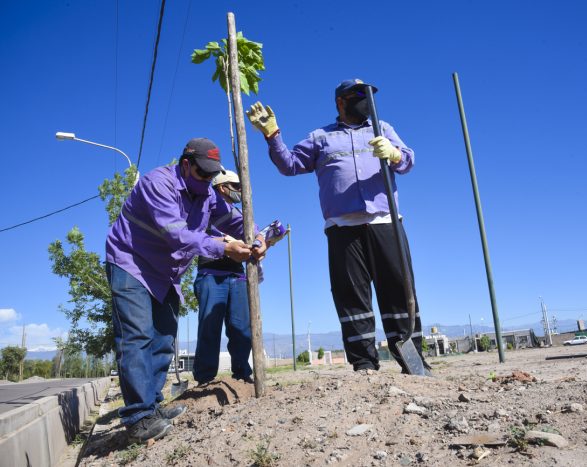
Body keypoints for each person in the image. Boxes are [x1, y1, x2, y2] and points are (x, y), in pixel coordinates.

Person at [246, 79, 424, 374]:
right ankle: (365, 364)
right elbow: (290, 165)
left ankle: (412, 360)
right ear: (341, 102)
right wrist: (272, 135)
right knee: (351, 295)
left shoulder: (383, 128)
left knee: (398, 289)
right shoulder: (321, 137)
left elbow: (408, 161)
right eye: (358, 95)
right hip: (342, 228)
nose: (365, 101)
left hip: (385, 222)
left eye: (368, 95)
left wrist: (394, 154)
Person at [105, 138, 265, 443]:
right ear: (186, 164)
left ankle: (152, 407)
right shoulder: (158, 184)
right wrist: (224, 248)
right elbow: (178, 237)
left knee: (164, 338)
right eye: (202, 174)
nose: (207, 182)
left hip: (166, 272)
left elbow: (232, 219)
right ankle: (138, 417)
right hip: (131, 263)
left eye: (211, 176)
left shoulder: (206, 193)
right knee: (137, 336)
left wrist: (256, 235)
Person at [192, 170, 261, 385]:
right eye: (236, 186)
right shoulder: (203, 205)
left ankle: (242, 372)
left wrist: (259, 239)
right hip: (211, 273)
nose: (240, 191)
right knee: (209, 327)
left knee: (241, 328)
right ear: (222, 187)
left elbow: (251, 229)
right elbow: (195, 233)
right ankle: (205, 378)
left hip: (237, 274)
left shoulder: (238, 213)